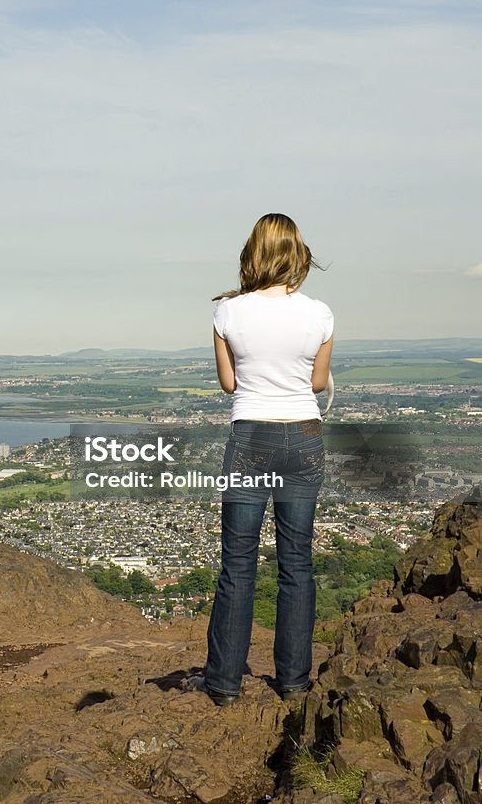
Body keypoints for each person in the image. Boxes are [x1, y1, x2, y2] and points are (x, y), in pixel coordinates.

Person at [182, 212, 333, 707]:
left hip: (250, 439)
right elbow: (315, 383)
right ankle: (293, 682)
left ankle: (223, 683)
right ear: (297, 253)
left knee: (238, 565)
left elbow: (230, 384)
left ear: (253, 252)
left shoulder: (228, 313)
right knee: (296, 563)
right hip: (304, 435)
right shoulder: (320, 315)